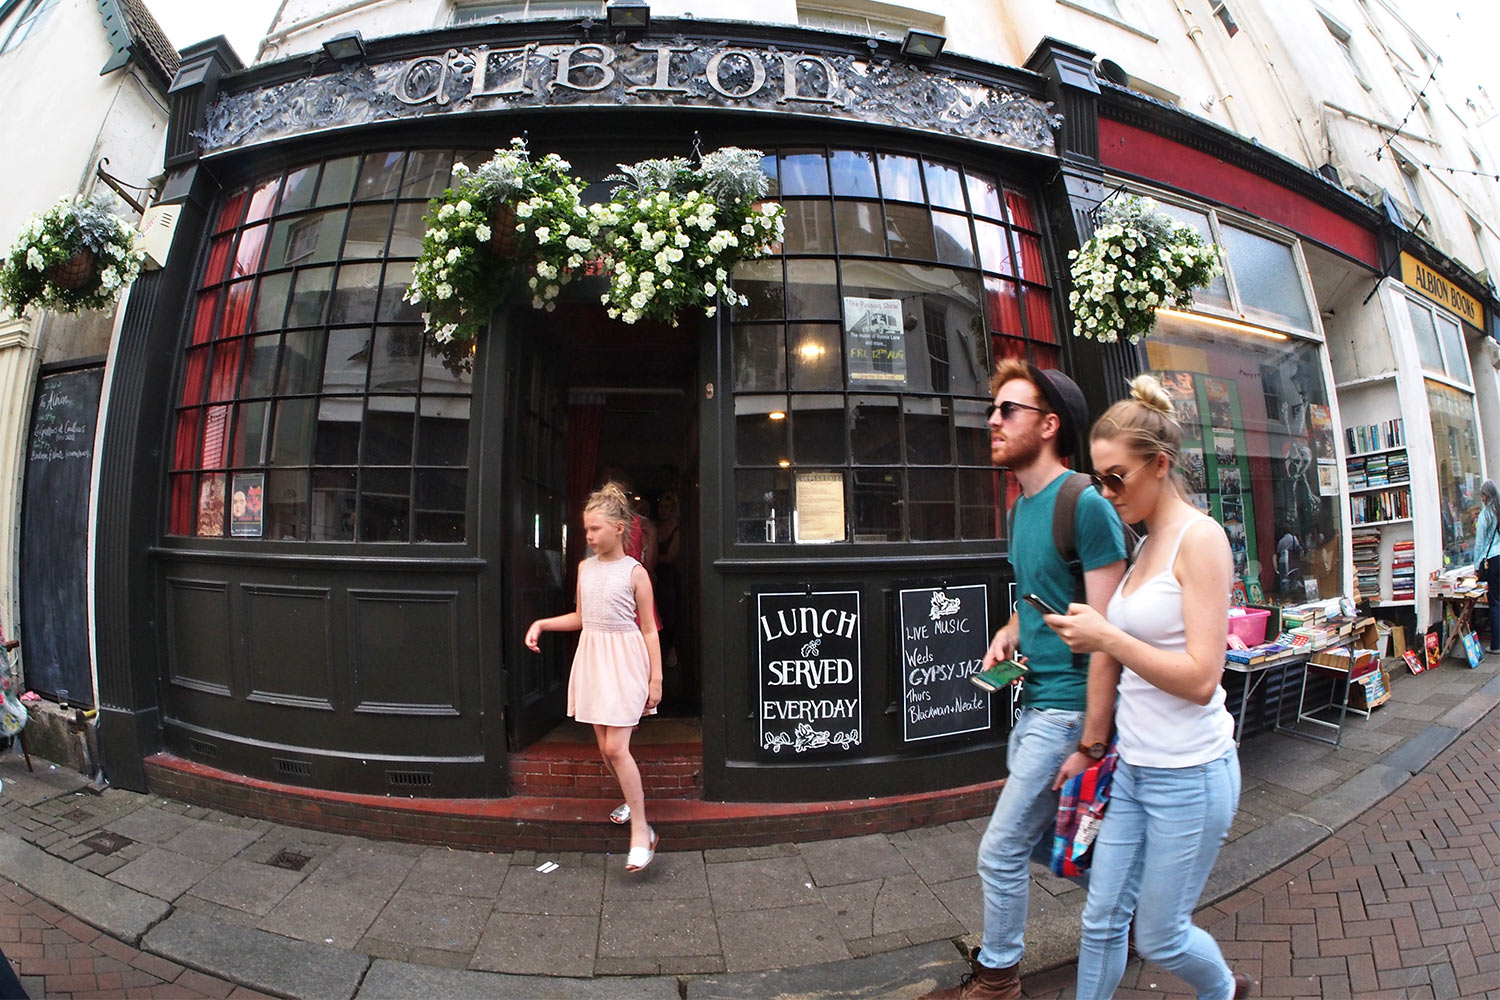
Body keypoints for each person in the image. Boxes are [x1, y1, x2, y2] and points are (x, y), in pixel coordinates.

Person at [919, 361, 1126, 1000]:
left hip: (1066, 712)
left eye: (1008, 410)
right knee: (1043, 841)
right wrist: (1010, 628)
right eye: (994, 411)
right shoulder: (1022, 506)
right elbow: (1039, 593)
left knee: (1000, 850)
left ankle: (1000, 974)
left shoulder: (1085, 506)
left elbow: (1109, 633)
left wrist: (1091, 742)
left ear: (1049, 424)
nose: (993, 422)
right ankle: (1134, 898)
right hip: (1032, 702)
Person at [1039, 374, 1250, 1000]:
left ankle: (1225, 992)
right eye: (1098, 478)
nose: (1105, 493)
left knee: (1160, 936)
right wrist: (1095, 743)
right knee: (1101, 920)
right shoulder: (1145, 544)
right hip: (1134, 768)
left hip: (1191, 773)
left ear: (1159, 465)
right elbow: (1126, 648)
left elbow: (1201, 677)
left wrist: (1107, 638)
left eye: (1115, 478)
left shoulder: (1200, 538)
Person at [525, 484, 664, 871]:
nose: (588, 536)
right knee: (606, 749)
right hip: (593, 660)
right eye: (586, 529)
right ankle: (630, 800)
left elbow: (650, 629)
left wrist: (656, 679)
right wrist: (542, 623)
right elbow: (581, 618)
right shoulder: (585, 569)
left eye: (595, 529)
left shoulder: (636, 573)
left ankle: (642, 830)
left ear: (619, 528)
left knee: (617, 748)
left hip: (626, 661)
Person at [1475, 480, 1500, 653]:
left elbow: (1479, 543)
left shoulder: (1485, 515)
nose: (1482, 498)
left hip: (1493, 560)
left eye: (1482, 495)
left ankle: (1496, 645)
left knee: (1495, 603)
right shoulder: (1499, 511)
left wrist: (1476, 565)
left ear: (1486, 496)